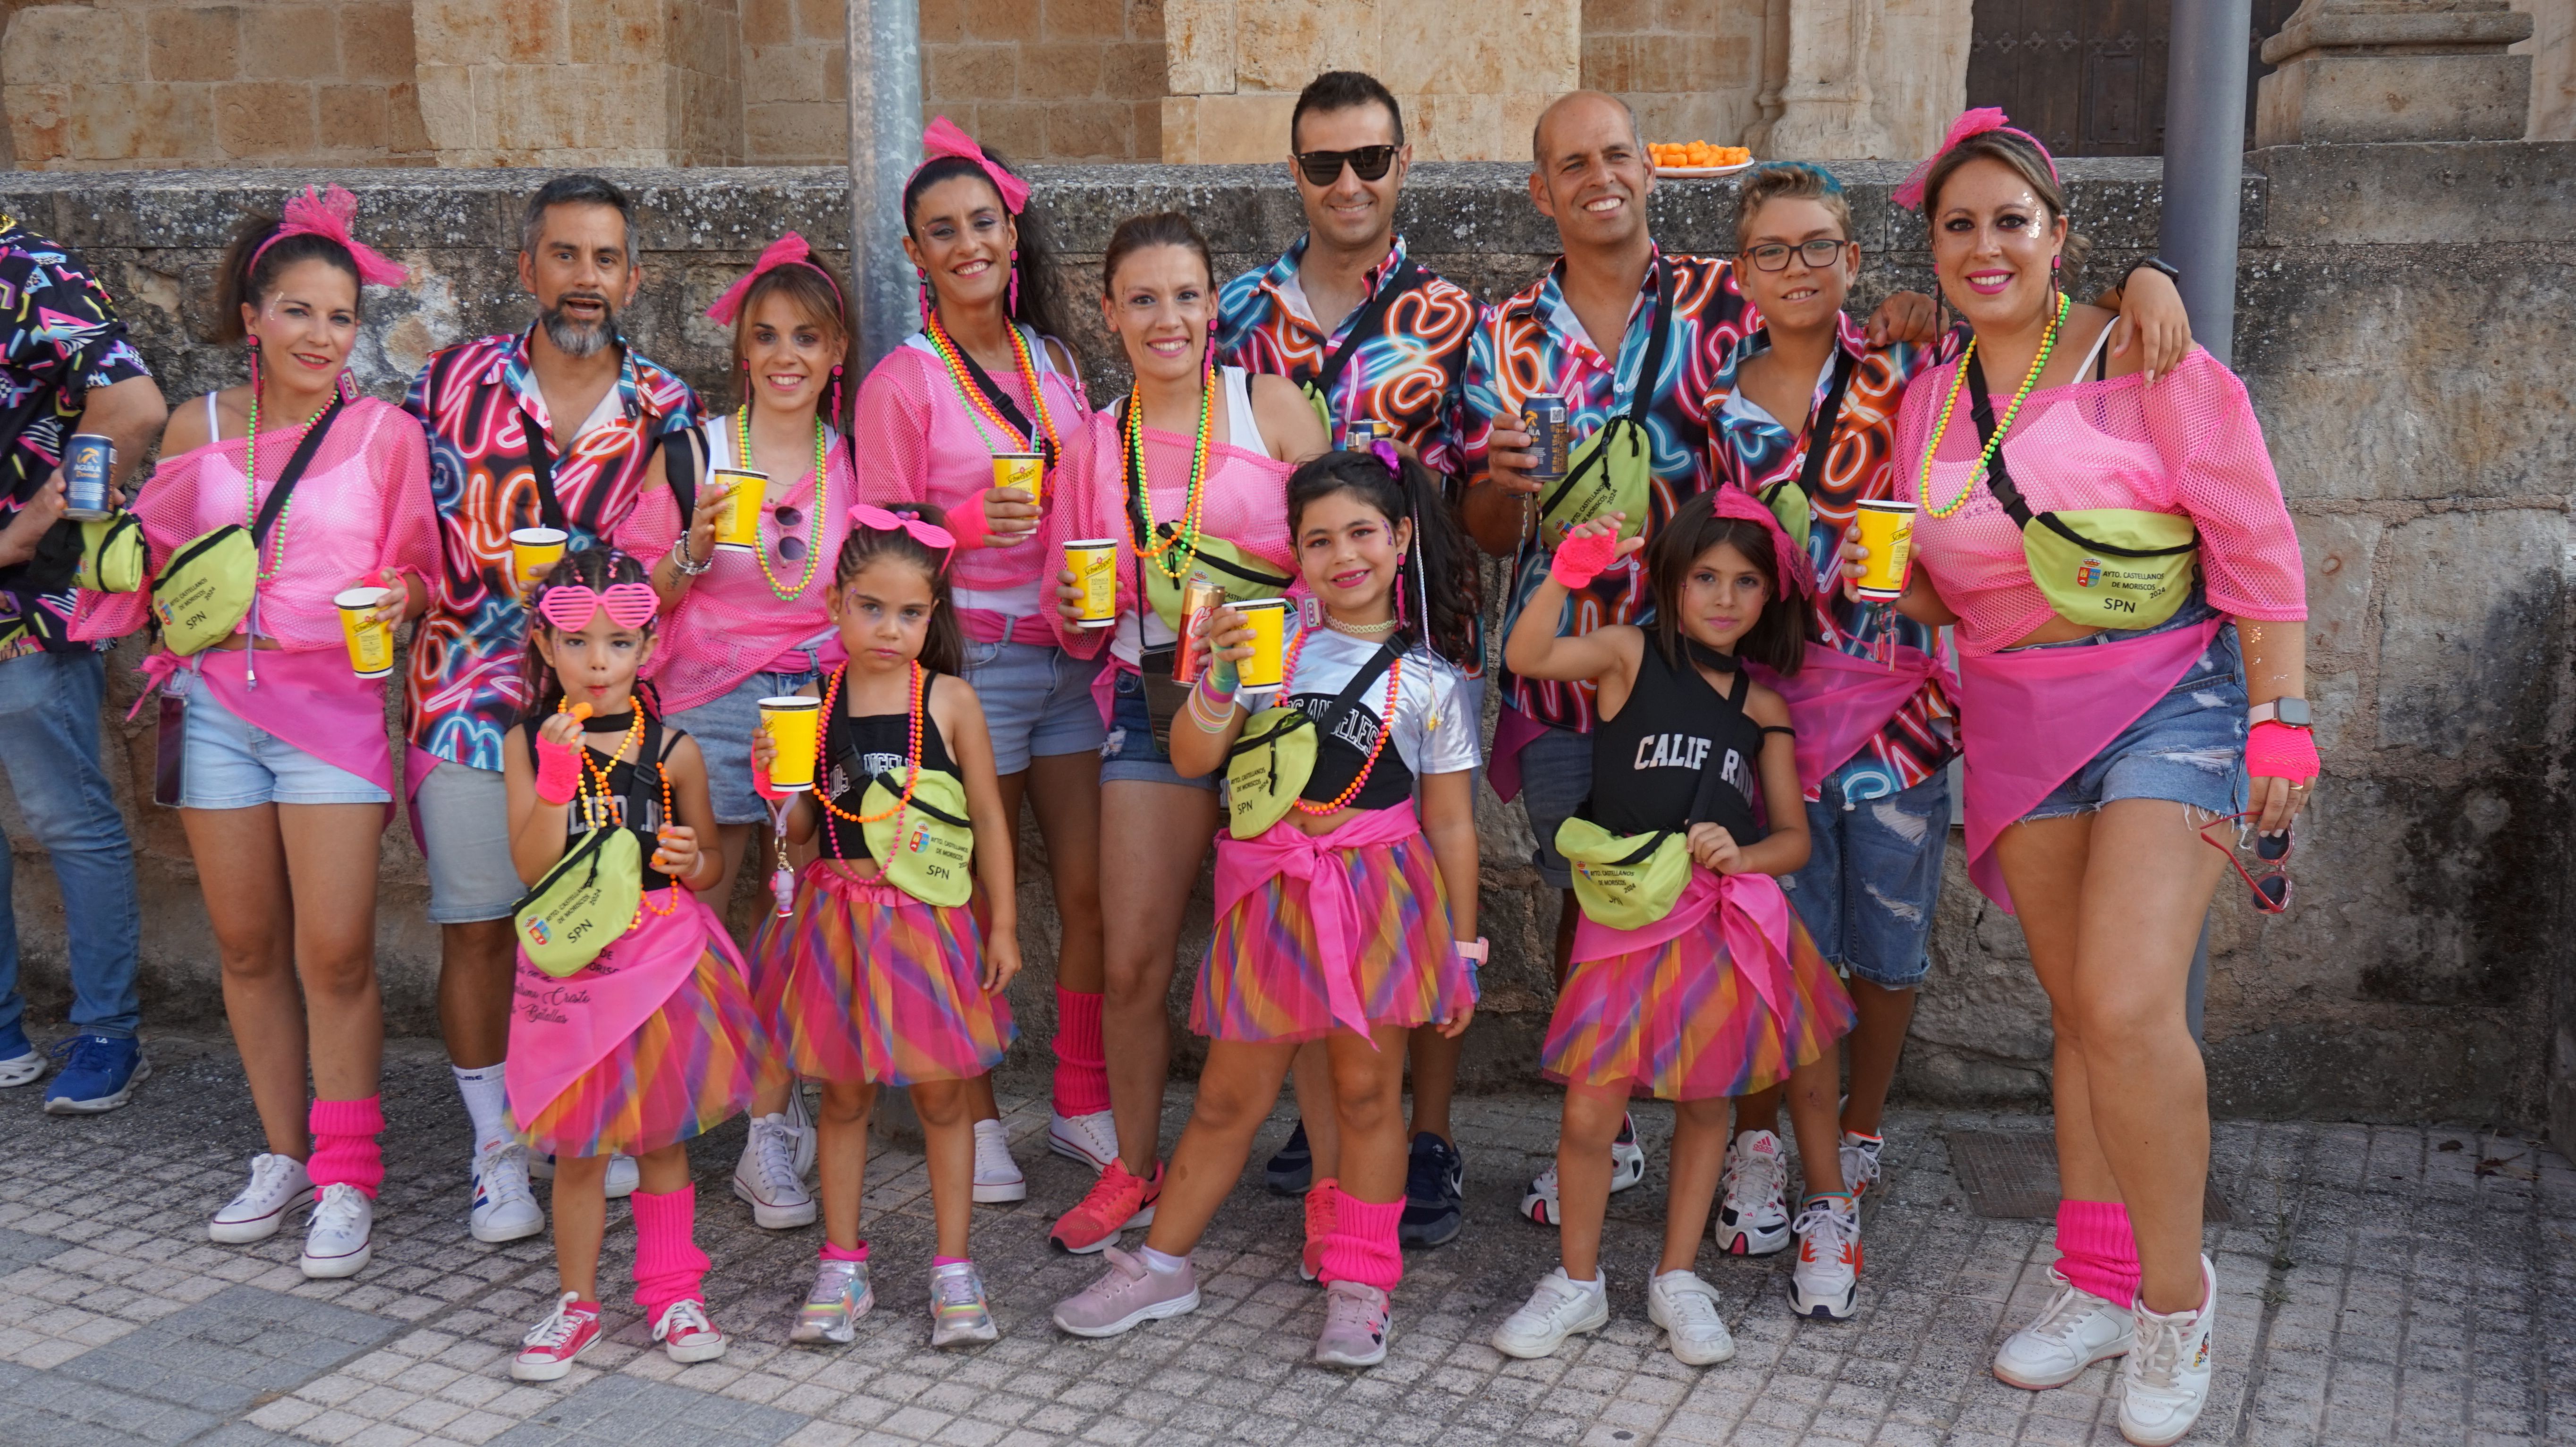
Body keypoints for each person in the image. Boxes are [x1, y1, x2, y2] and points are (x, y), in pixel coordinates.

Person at [1878, 111, 2312, 1447]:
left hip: (2169, 699)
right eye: (1960, 226)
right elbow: (1923, 578)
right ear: (1936, 251)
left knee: (2129, 1005)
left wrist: (2281, 717)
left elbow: (2253, 535)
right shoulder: (1922, 397)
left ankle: (2177, 1304)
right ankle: (2098, 1283)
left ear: (2062, 237)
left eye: (2013, 220)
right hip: (2016, 717)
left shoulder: (2144, 353)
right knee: (2081, 1020)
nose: (1986, 245)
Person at [1701, 163, 2195, 1258]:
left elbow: (2033, 311)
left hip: (1901, 709)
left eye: (1819, 245)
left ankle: (1859, 1126)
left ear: (1855, 259)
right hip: (1764, 717)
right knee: (1771, 936)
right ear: (1739, 274)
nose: (1797, 268)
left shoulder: (1911, 364)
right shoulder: (1715, 401)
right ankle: (1758, 1137)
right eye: (1772, 251)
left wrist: (2146, 274)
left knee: (1885, 942)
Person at [1050, 447, 1481, 1367]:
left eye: (1361, 532)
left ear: (1399, 537)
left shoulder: (1435, 680)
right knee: (1226, 1097)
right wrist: (1209, 679)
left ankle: (1363, 1279)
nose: (1343, 554)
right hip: (1274, 901)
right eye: (1318, 539)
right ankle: (1164, 1261)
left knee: (1369, 1095)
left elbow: (1450, 826)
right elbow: (1197, 756)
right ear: (1295, 553)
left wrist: (1463, 945)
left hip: (1380, 902)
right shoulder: (1271, 645)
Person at [72, 188, 434, 1275]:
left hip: (331, 714)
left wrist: (399, 600)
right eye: (300, 311)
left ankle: (347, 1171)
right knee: (245, 946)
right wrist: (108, 547)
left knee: (333, 952)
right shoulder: (200, 428)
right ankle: (283, 1151)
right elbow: (145, 577)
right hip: (218, 709)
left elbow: (419, 566)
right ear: (253, 316)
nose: (324, 336)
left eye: (340, 316)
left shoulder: (383, 432)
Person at [1213, 68, 1489, 1245]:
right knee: (1298, 846)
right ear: (1295, 172)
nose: (1348, 183)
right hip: (1285, 646)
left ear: (1401, 164)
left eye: (1369, 160)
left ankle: (1421, 1134)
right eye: (1323, 163)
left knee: (1418, 875)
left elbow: (1485, 498)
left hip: (1422, 637)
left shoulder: (1457, 317)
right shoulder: (1235, 310)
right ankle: (1321, 1108)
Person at [1489, 491, 1857, 1368]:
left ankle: (1677, 1278)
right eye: (1705, 578)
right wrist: (1570, 574)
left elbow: (1793, 841)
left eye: (1745, 583)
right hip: (1624, 922)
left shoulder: (1763, 706)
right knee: (1590, 1110)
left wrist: (1744, 853)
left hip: (1712, 924)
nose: (1724, 598)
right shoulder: (1627, 654)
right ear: (1672, 582)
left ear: (1769, 598)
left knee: (1705, 1106)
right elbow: (1526, 653)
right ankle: (1577, 1283)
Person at [404, 175, 700, 1246]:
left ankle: (591, 1118)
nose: (586, 280)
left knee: (604, 921)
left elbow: (667, 583)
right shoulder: (449, 384)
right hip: (472, 701)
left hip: (611, 715)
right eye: (565, 256)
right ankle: (495, 1146)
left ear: (633, 275)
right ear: (526, 270)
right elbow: (398, 524)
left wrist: (690, 555)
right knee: (482, 927)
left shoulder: (670, 409)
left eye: (606, 259)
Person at [1042, 212, 1330, 1254]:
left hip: (1276, 703)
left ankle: (1331, 1187)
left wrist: (1278, 630)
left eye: (1186, 295)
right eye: (1144, 298)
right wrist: (1083, 608)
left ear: (1216, 305)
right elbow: (1069, 612)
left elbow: (1341, 555)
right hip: (1152, 693)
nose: (1168, 317)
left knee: (1294, 958)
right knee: (1134, 955)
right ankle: (1131, 1163)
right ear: (1111, 312)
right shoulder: (1093, 441)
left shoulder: (1267, 408)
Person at [854, 118, 1098, 1200]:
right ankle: (981, 1107)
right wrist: (958, 514)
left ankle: (1084, 1098)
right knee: (957, 891)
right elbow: (877, 539)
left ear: (1013, 230)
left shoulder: (1054, 360)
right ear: (914, 252)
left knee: (1086, 892)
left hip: (1071, 656)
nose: (967, 245)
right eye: (940, 231)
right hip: (975, 665)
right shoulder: (902, 380)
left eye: (982, 223)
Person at [623, 231, 858, 1233]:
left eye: (806, 335)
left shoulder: (856, 456)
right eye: (766, 336)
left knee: (796, 915)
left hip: (815, 699)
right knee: (687, 907)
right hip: (706, 703)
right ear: (742, 353)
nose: (786, 355)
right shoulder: (692, 451)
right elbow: (636, 598)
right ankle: (657, 1109)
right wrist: (691, 545)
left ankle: (768, 1133)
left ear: (838, 347)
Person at [750, 505, 1022, 1349]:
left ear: (932, 614)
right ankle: (843, 1264)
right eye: (871, 608)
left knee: (944, 1095)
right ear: (835, 603)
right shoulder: (816, 704)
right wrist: (778, 793)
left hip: (929, 926)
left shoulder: (951, 702)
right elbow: (802, 836)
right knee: (844, 1095)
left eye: (911, 613)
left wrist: (1004, 926)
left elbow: (989, 822)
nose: (891, 628)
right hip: (834, 923)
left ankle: (953, 1269)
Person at [500, 547, 758, 1380]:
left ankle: (673, 1291)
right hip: (574, 972)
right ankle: (577, 1305)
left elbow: (714, 860)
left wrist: (691, 859)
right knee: (578, 1148)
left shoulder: (674, 750)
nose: (599, 661)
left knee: (660, 1140)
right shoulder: (529, 742)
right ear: (544, 647)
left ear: (651, 647)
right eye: (578, 643)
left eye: (620, 642)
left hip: (661, 966)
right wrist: (554, 775)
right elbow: (533, 867)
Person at [0, 211, 165, 1113]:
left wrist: (32, 527)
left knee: (66, 817)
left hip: (20, 611)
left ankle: (109, 1032)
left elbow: (133, 408)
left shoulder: (27, 269)